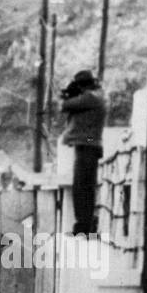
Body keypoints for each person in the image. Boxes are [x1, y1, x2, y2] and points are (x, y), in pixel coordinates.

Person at [60, 69, 106, 236]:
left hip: (88, 144)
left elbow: (65, 105)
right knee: (84, 187)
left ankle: (83, 225)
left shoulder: (90, 98)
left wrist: (69, 95)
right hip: (89, 145)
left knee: (82, 188)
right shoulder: (95, 96)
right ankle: (85, 224)